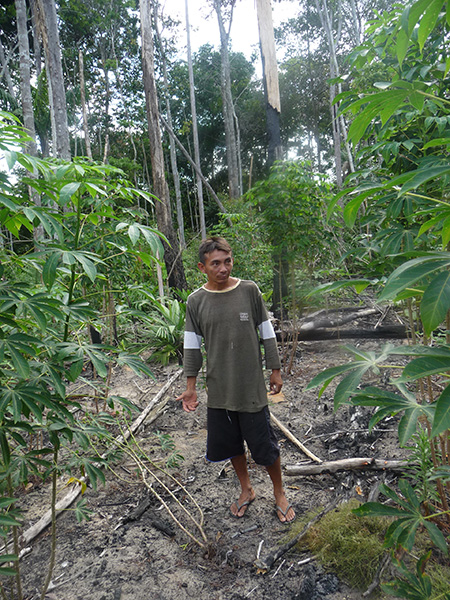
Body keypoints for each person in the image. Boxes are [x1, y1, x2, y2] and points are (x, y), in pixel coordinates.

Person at [176, 237, 295, 523]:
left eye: (227, 261)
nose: (223, 268)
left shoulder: (249, 291)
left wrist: (274, 369)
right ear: (202, 267)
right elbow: (192, 346)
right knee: (231, 445)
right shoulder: (196, 301)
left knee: (264, 445)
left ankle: (279, 492)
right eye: (215, 263)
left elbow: (266, 331)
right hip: (219, 388)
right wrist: (190, 388)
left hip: (250, 386)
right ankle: (246, 489)